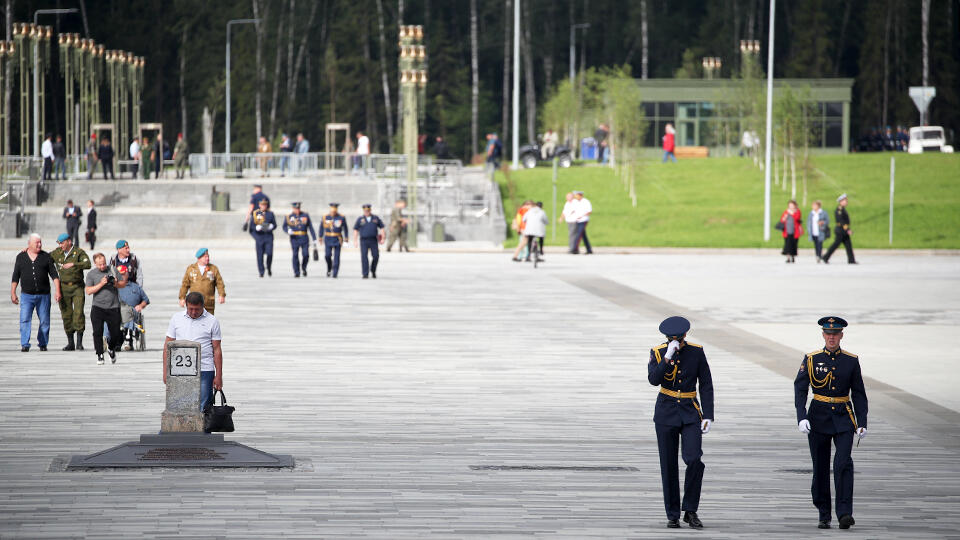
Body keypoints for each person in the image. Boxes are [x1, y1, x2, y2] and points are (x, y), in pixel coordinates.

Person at [794, 316, 868, 530]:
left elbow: (859, 393)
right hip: (818, 417)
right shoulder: (811, 359)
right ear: (823, 335)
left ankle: (844, 513)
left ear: (841, 335)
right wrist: (802, 416)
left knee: (843, 464)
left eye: (835, 334)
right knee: (820, 467)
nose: (831, 337)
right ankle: (823, 513)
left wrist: (862, 421)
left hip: (844, 417)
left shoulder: (851, 361)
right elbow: (800, 389)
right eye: (828, 334)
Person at [648, 316, 714, 530]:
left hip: (689, 411)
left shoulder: (696, 351)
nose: (676, 341)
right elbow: (653, 380)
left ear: (685, 335)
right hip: (666, 411)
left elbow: (705, 384)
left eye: (678, 338)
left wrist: (708, 415)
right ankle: (673, 514)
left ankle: (691, 510)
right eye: (671, 339)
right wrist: (666, 357)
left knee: (694, 459)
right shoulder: (658, 352)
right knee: (668, 465)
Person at [164, 292, 222, 412]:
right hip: (180, 369)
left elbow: (217, 350)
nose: (194, 312)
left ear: (203, 306)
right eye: (191, 309)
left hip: (205, 368)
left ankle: (203, 430)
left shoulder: (212, 321)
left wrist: (219, 376)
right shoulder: (176, 318)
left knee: (204, 405)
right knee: (180, 403)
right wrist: (165, 371)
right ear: (185, 305)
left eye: (197, 309)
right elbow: (167, 346)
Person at [10, 234, 61, 352]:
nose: (39, 244)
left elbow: (54, 275)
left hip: (44, 295)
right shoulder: (21, 257)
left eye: (40, 242)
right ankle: (25, 344)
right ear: (29, 244)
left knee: (44, 320)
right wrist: (13, 292)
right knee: (24, 319)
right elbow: (15, 276)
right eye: (36, 242)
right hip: (26, 295)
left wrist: (57, 291)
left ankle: (43, 343)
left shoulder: (46, 256)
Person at [51, 232, 91, 351]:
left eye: (62, 243)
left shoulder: (78, 252)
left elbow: (87, 264)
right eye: (59, 243)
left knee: (78, 313)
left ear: (69, 241)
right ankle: (70, 343)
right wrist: (29, 251)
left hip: (77, 287)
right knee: (66, 314)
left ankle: (79, 343)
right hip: (63, 288)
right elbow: (44, 257)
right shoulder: (57, 253)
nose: (60, 245)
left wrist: (74, 264)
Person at [84, 252, 126, 365]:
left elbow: (123, 284)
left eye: (103, 263)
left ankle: (111, 348)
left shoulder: (112, 269)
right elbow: (88, 291)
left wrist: (116, 283)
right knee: (97, 332)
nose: (102, 266)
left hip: (113, 307)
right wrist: (101, 284)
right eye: (100, 265)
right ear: (95, 264)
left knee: (116, 333)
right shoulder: (91, 274)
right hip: (98, 307)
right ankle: (99, 354)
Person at [178, 248, 226, 315]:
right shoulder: (191, 269)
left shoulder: (213, 268)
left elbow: (219, 283)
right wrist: (182, 298)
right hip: (194, 304)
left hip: (208, 303)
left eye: (208, 256)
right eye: (205, 257)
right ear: (199, 258)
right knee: (194, 322)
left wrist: (221, 295)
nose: (207, 258)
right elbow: (185, 284)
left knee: (209, 322)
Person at [117, 265, 149, 351]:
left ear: (127, 274)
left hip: (133, 311)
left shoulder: (135, 287)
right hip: (117, 312)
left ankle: (128, 337)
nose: (122, 276)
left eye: (123, 274)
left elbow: (146, 300)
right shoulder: (114, 287)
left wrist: (141, 305)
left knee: (129, 311)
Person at [282, 202, 316, 277]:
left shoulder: (305, 215)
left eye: (298, 208)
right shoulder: (289, 216)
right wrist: (288, 231)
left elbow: (310, 227)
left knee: (306, 255)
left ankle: (303, 267)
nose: (297, 210)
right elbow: (284, 226)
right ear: (293, 208)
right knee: (295, 255)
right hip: (294, 238)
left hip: (304, 237)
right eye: (295, 208)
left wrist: (314, 238)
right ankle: (296, 272)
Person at [822, 194, 857, 265]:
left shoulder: (842, 209)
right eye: (845, 201)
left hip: (843, 230)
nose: (846, 202)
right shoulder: (839, 210)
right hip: (840, 230)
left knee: (848, 245)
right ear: (840, 201)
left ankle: (851, 260)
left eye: (846, 201)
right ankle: (825, 257)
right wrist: (847, 230)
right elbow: (842, 221)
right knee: (835, 245)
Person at [353, 204, 385, 279]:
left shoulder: (375, 218)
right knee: (364, 257)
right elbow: (356, 229)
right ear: (363, 211)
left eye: (368, 210)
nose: (367, 212)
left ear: (370, 210)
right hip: (364, 240)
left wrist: (383, 238)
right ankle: (365, 273)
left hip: (373, 240)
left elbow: (382, 227)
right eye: (365, 211)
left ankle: (373, 270)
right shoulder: (360, 219)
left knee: (376, 256)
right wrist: (355, 240)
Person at [320, 203, 349, 277]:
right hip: (328, 238)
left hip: (337, 238)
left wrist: (346, 238)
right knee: (327, 255)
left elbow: (345, 228)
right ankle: (329, 267)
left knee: (337, 257)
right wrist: (320, 237)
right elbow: (321, 227)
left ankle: (335, 273)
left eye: (334, 211)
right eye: (332, 211)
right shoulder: (325, 217)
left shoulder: (341, 217)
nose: (333, 213)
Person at [250, 198, 276, 277]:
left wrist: (272, 226)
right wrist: (256, 229)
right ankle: (261, 271)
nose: (263, 206)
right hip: (259, 237)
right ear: (259, 205)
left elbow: (274, 224)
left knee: (270, 254)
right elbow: (251, 228)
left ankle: (268, 266)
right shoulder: (255, 214)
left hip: (268, 236)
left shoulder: (270, 214)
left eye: (265, 204)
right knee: (260, 255)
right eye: (262, 204)